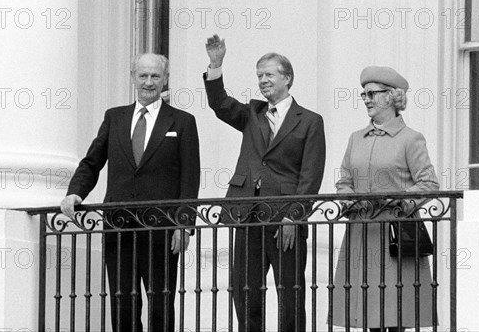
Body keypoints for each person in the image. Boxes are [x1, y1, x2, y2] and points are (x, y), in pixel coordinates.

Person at [60, 53, 200, 332]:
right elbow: (92, 161)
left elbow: (190, 177)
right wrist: (75, 192)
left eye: (156, 76)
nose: (149, 82)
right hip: (119, 225)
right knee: (122, 304)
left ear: (166, 79)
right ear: (133, 77)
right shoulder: (115, 117)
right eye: (143, 76)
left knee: (161, 305)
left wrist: (184, 225)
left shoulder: (182, 121)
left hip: (162, 228)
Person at [203, 34, 326, 332]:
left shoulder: (309, 120)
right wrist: (216, 65)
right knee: (245, 294)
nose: (262, 80)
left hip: (284, 219)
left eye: (269, 74)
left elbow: (310, 176)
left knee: (290, 296)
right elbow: (220, 104)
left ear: (287, 78)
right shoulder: (252, 113)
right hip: (246, 215)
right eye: (259, 75)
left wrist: (293, 217)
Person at [331, 66, 439, 331]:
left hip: (395, 235)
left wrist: (398, 201)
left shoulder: (411, 139)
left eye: (372, 93)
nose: (366, 99)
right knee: (366, 314)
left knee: (394, 315)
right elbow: (344, 182)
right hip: (361, 234)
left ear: (391, 97)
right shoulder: (356, 139)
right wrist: (348, 200)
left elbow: (429, 183)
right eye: (363, 94)